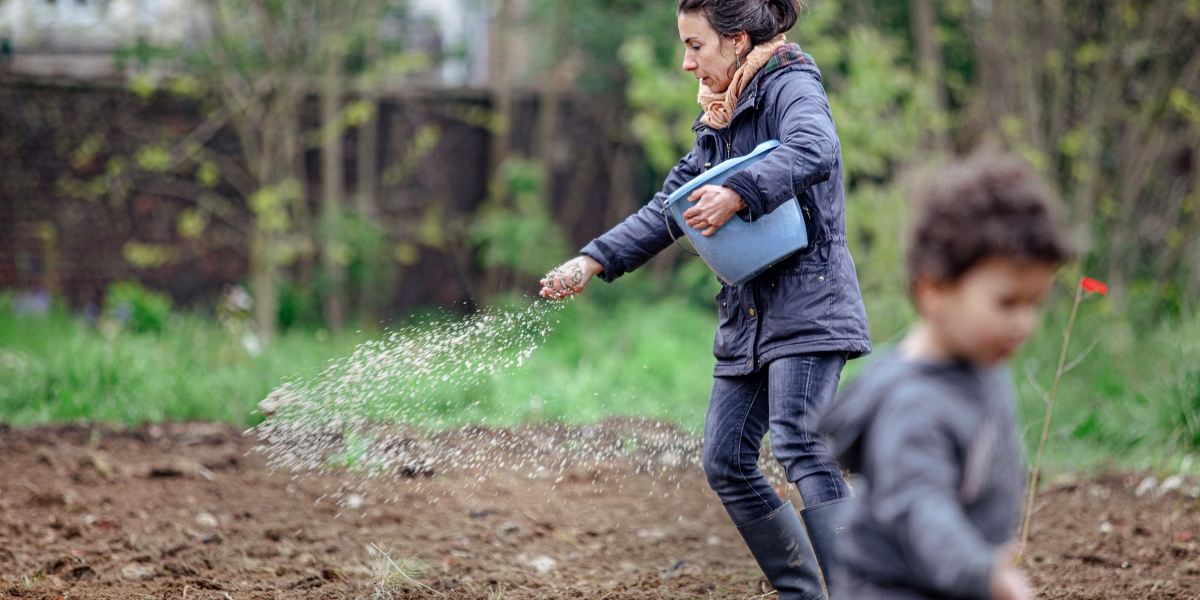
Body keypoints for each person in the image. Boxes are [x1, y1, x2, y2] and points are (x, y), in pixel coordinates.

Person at [539, 0, 870, 597]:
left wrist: (738, 193)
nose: (686, 62)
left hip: (809, 303)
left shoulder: (791, 85)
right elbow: (669, 211)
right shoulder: (719, 120)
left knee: (798, 442)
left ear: (738, 40)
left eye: (696, 45)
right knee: (725, 460)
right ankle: (804, 594)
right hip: (749, 315)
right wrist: (592, 260)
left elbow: (816, 148)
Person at [819, 152, 1071, 600]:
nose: (1025, 324)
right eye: (1008, 303)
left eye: (1036, 303)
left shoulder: (980, 357)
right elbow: (922, 511)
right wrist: (982, 574)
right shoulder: (912, 406)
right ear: (934, 290)